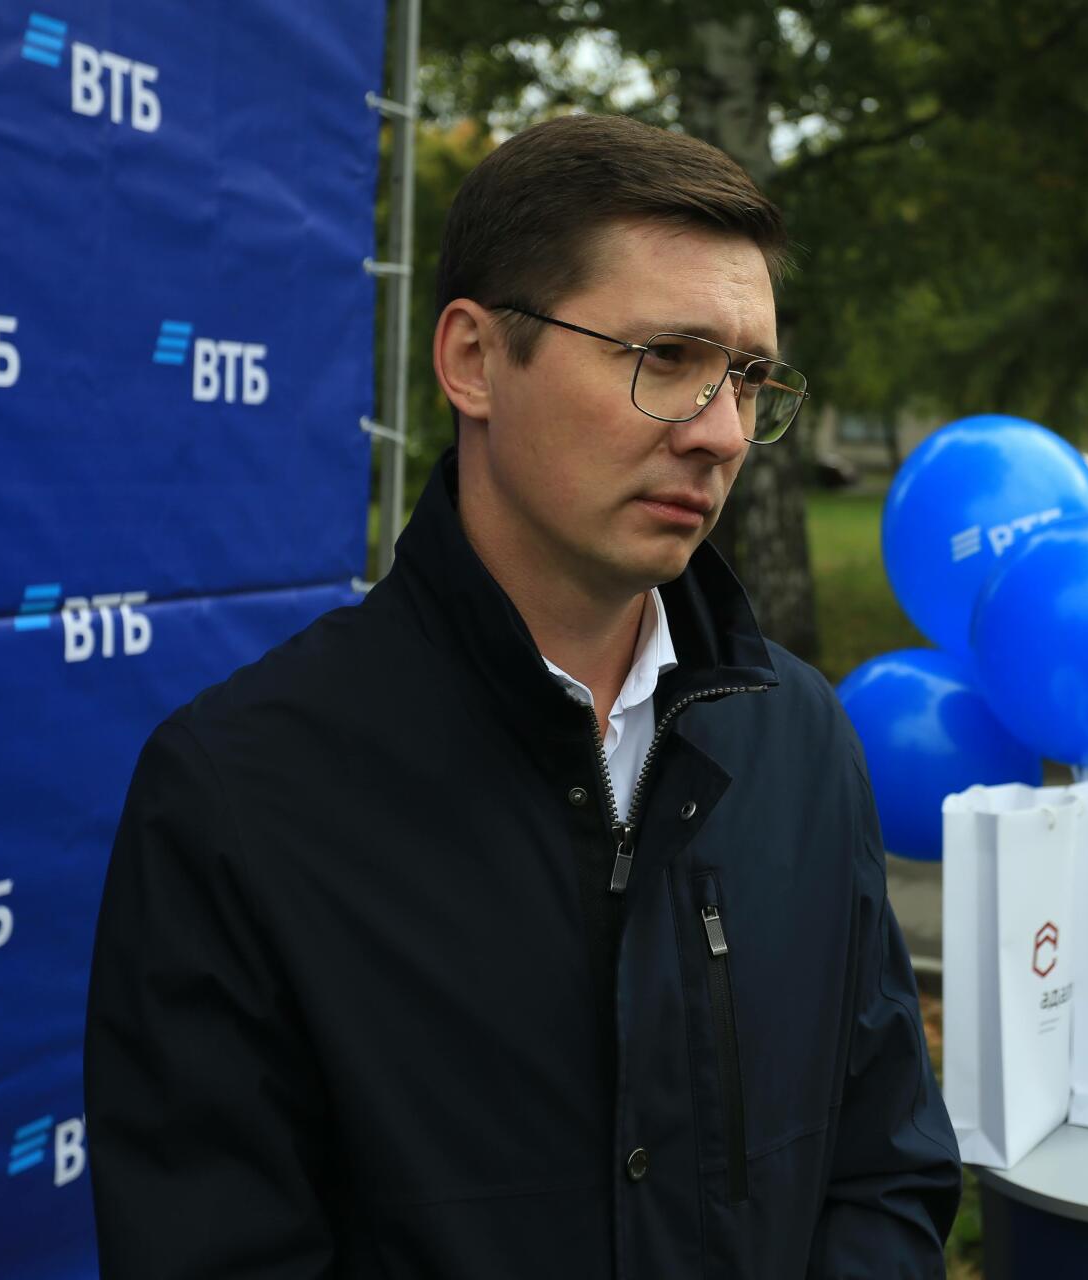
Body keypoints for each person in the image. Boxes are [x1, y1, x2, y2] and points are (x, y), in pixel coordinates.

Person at [84, 112, 961, 1278]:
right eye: (667, 358)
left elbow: (885, 1167)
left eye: (749, 378)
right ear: (474, 359)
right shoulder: (237, 796)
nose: (722, 433)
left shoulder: (799, 737)